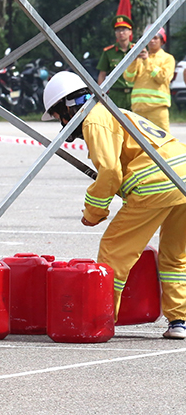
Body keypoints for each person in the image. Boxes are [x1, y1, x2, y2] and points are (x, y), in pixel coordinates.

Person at [42, 71, 186, 339]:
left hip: (155, 184)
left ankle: (101, 318)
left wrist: (93, 212)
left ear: (68, 107)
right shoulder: (111, 111)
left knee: (113, 252)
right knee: (174, 255)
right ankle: (179, 320)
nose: (61, 124)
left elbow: (109, 172)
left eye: (58, 116)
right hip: (183, 176)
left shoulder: (95, 120)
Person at [124, 27, 175, 133]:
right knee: (137, 143)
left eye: (155, 38)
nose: (151, 41)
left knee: (163, 142)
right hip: (138, 108)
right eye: (149, 38)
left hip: (157, 108)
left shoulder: (168, 58)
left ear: (162, 40)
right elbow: (128, 77)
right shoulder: (139, 58)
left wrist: (147, 60)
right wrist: (133, 60)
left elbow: (162, 77)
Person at [96, 14, 135, 110]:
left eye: (124, 29)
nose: (121, 32)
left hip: (135, 93)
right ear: (115, 33)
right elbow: (102, 74)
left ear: (130, 32)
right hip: (116, 94)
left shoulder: (137, 50)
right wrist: (100, 94)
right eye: (118, 30)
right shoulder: (109, 52)